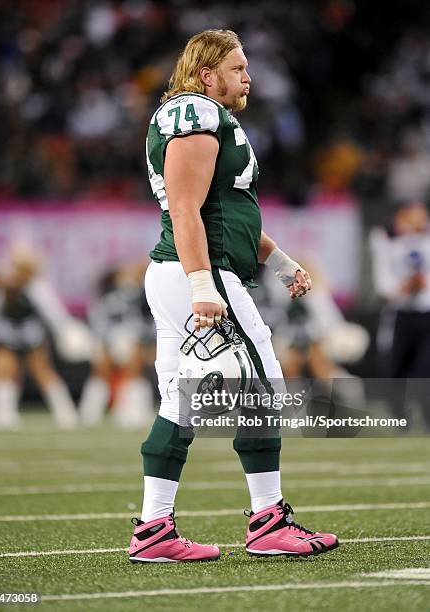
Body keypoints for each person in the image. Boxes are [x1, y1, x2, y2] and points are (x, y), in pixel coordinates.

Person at [129, 30, 338, 563]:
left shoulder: (206, 116)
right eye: (238, 68)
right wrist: (202, 283)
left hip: (186, 270)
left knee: (182, 400)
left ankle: (154, 528)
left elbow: (228, 209)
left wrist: (279, 260)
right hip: (201, 272)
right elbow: (185, 208)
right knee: (262, 386)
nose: (249, 77)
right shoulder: (196, 113)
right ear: (206, 75)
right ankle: (267, 521)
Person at [0, 242, 92, 429]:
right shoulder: (1, 288)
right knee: (2, 369)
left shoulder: (37, 287)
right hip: (6, 336)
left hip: (31, 338)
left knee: (42, 371)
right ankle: (4, 412)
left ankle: (65, 412)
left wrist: (65, 331)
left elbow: (53, 313)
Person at [370, 199, 430, 429]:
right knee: (395, 369)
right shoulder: (387, 240)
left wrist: (423, 284)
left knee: (424, 369)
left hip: (426, 313)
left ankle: (426, 417)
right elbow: (382, 281)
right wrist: (400, 288)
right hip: (400, 313)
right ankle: (399, 418)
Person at [78, 263, 154, 428]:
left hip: (131, 338)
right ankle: (90, 412)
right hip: (107, 338)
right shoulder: (107, 296)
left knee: (134, 371)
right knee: (101, 372)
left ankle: (133, 411)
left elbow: (144, 319)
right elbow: (97, 319)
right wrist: (103, 341)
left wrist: (144, 340)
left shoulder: (141, 293)